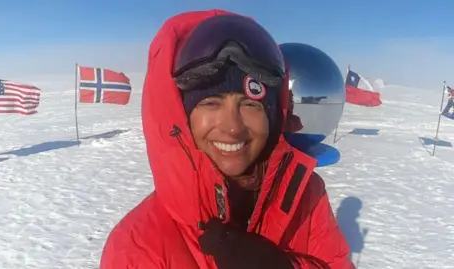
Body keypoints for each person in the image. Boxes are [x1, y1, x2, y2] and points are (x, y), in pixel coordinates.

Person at [100, 9, 354, 269]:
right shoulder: (137, 247)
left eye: (250, 104)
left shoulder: (304, 194)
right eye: (211, 103)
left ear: (273, 116)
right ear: (181, 119)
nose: (232, 127)